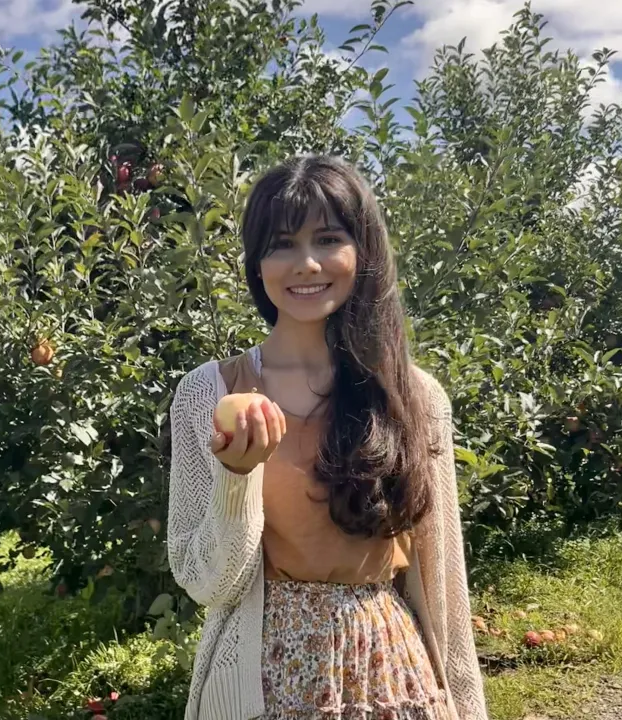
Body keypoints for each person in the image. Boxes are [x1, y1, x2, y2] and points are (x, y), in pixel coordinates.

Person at [166, 155, 488, 720]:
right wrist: (236, 479)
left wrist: (467, 704)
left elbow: (443, 583)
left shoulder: (411, 396)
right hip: (264, 679)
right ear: (257, 263)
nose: (306, 262)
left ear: (362, 253)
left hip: (389, 673)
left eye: (328, 237)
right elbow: (206, 583)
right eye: (282, 243)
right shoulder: (209, 393)